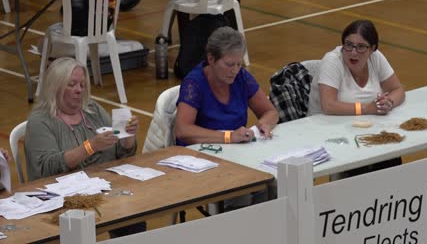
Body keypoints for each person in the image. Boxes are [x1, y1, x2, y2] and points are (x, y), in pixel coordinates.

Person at [24, 57, 145, 237]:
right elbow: (47, 167)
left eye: (82, 85)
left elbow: (121, 154)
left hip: (103, 191)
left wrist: (128, 136)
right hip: (64, 201)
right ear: (55, 86)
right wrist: (90, 147)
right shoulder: (40, 121)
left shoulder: (92, 109)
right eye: (71, 84)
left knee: (132, 218)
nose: (79, 90)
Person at [308, 19, 406, 176]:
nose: (353, 52)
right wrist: (368, 108)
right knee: (360, 164)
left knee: (391, 154)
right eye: (348, 45)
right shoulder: (332, 61)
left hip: (362, 128)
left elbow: (398, 89)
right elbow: (329, 105)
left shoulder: (376, 58)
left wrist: (389, 102)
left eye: (361, 47)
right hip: (327, 130)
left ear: (372, 48)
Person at [175, 26, 279, 146]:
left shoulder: (242, 77)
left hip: (231, 151)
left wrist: (264, 124)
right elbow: (183, 130)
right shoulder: (194, 84)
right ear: (211, 59)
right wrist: (228, 136)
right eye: (229, 64)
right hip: (199, 155)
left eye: (239, 64)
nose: (235, 70)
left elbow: (271, 112)